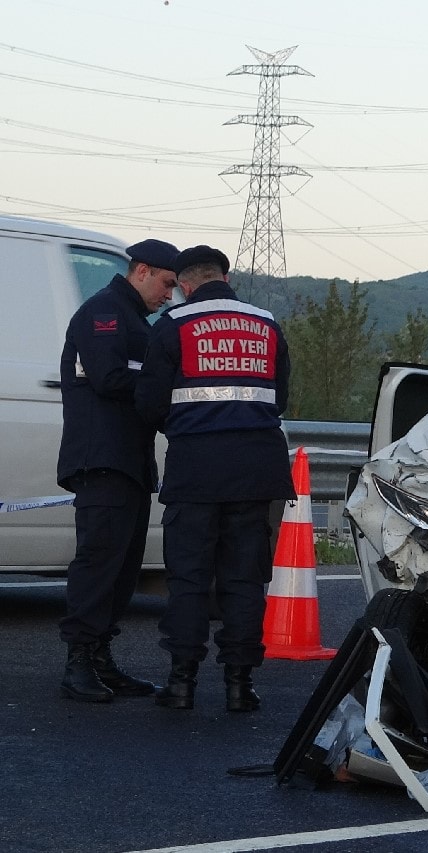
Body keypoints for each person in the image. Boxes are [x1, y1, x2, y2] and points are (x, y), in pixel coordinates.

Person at [134, 245, 294, 712]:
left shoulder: (173, 326)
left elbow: (149, 403)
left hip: (196, 470)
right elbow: (278, 398)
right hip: (257, 469)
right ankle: (240, 687)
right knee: (244, 581)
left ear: (184, 284)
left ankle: (181, 684)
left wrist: (187, 427)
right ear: (225, 277)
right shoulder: (266, 323)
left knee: (188, 579)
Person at [58, 238, 180, 703]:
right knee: (98, 563)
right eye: (167, 284)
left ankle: (101, 658)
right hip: (101, 458)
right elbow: (109, 377)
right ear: (142, 270)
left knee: (123, 568)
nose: (169, 295)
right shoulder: (104, 311)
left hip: (128, 461)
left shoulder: (135, 320)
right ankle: (79, 663)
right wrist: (166, 386)